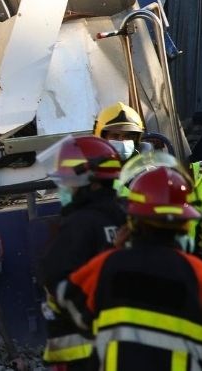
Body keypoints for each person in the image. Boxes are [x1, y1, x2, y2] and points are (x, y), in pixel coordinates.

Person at [56, 167, 202, 369]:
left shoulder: (106, 265)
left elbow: (64, 301)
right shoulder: (198, 274)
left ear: (132, 220)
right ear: (185, 224)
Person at [36, 136, 124, 370]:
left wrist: (85, 321)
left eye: (68, 182)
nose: (63, 188)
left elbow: (54, 275)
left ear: (92, 184)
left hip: (83, 353)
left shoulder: (80, 224)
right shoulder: (124, 218)